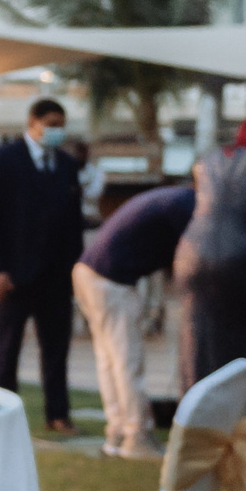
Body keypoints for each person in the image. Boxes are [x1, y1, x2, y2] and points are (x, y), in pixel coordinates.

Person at [0, 98, 84, 433]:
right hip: (13, 273)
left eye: (60, 124)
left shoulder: (66, 164)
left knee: (56, 349)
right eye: (50, 123)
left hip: (55, 275)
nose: (56, 130)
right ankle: (0, 417)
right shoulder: (3, 159)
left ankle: (58, 414)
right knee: (6, 348)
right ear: (33, 121)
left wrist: (75, 270)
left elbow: (72, 220)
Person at [73, 182, 195, 458]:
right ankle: (136, 436)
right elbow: (190, 254)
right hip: (109, 280)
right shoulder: (187, 206)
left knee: (109, 359)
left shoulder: (173, 197)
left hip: (88, 271)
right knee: (127, 359)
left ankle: (117, 430)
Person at [175, 105, 246, 392]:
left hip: (189, 253)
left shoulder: (206, 161)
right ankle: (237, 422)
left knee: (195, 340)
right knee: (238, 346)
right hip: (236, 257)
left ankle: (191, 416)